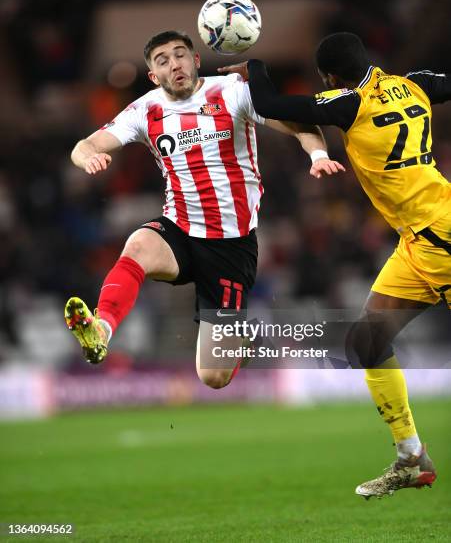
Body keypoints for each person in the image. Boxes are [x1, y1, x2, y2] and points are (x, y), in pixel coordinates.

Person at [219, 32, 450, 498]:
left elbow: (273, 104)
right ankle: (411, 457)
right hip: (418, 240)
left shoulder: (348, 105)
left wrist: (255, 67)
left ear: (329, 76)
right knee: (366, 342)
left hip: (441, 241)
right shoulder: (417, 84)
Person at [64, 30, 344, 391]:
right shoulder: (146, 109)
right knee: (137, 245)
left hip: (231, 246)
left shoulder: (231, 91)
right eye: (162, 60)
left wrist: (318, 156)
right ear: (153, 76)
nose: (174, 64)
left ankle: (238, 339)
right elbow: (84, 145)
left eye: (180, 55)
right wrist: (90, 157)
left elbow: (300, 123)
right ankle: (100, 329)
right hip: (179, 228)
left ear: (196, 61)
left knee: (213, 377)